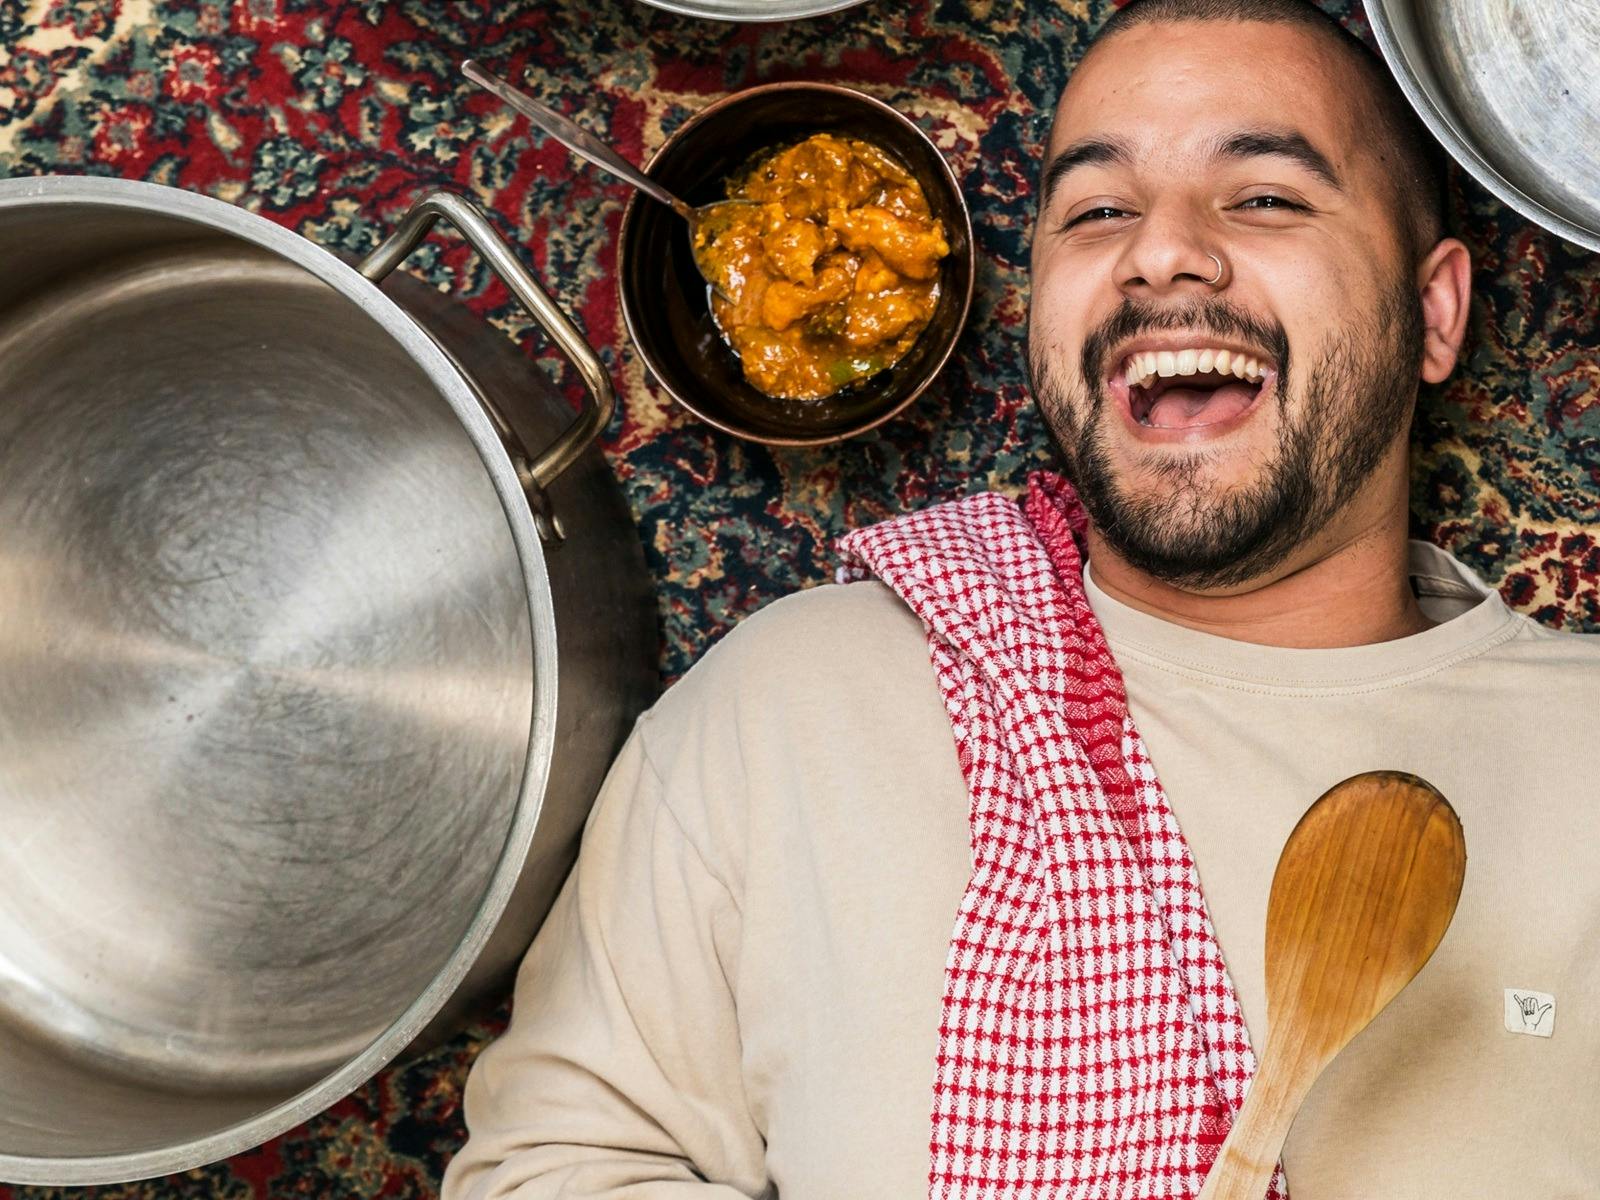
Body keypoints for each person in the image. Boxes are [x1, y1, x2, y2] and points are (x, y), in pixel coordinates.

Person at [443, 1, 1600, 1197]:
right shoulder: (791, 701)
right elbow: (550, 1167)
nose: (1160, 253)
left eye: (1262, 197)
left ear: (1433, 312)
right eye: (1097, 212)